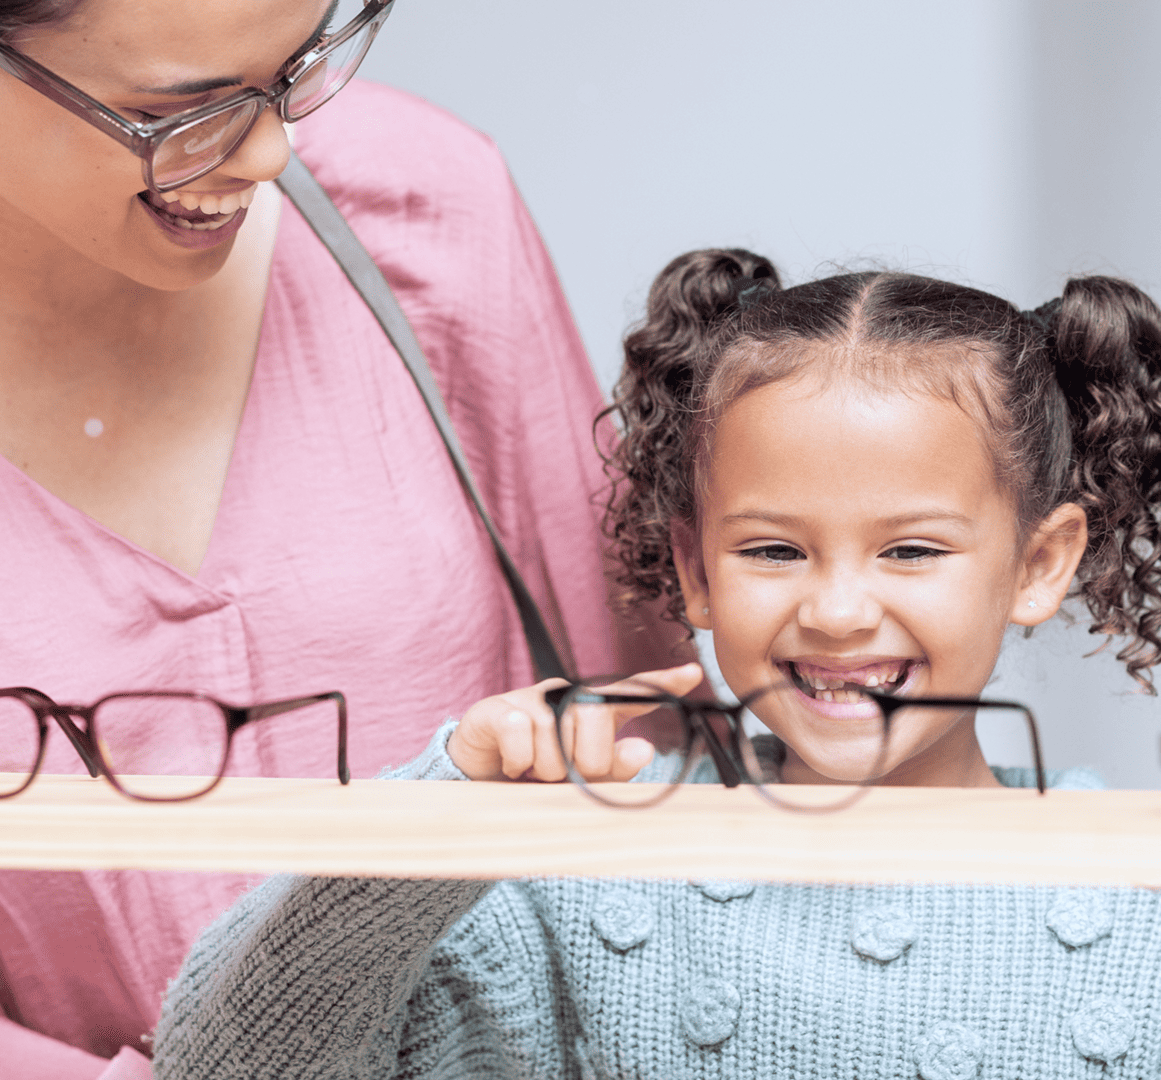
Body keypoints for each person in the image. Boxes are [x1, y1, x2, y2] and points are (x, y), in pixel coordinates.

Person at [153, 247, 1161, 1079]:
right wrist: (438, 816)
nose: (840, 610)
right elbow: (223, 1064)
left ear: (1039, 564)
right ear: (696, 569)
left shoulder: (1139, 902)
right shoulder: (580, 891)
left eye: (911, 549)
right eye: (773, 549)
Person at [0, 1, 687, 1077]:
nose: (271, 148)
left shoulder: (420, 203)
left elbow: (647, 727)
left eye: (295, 66)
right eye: (181, 109)